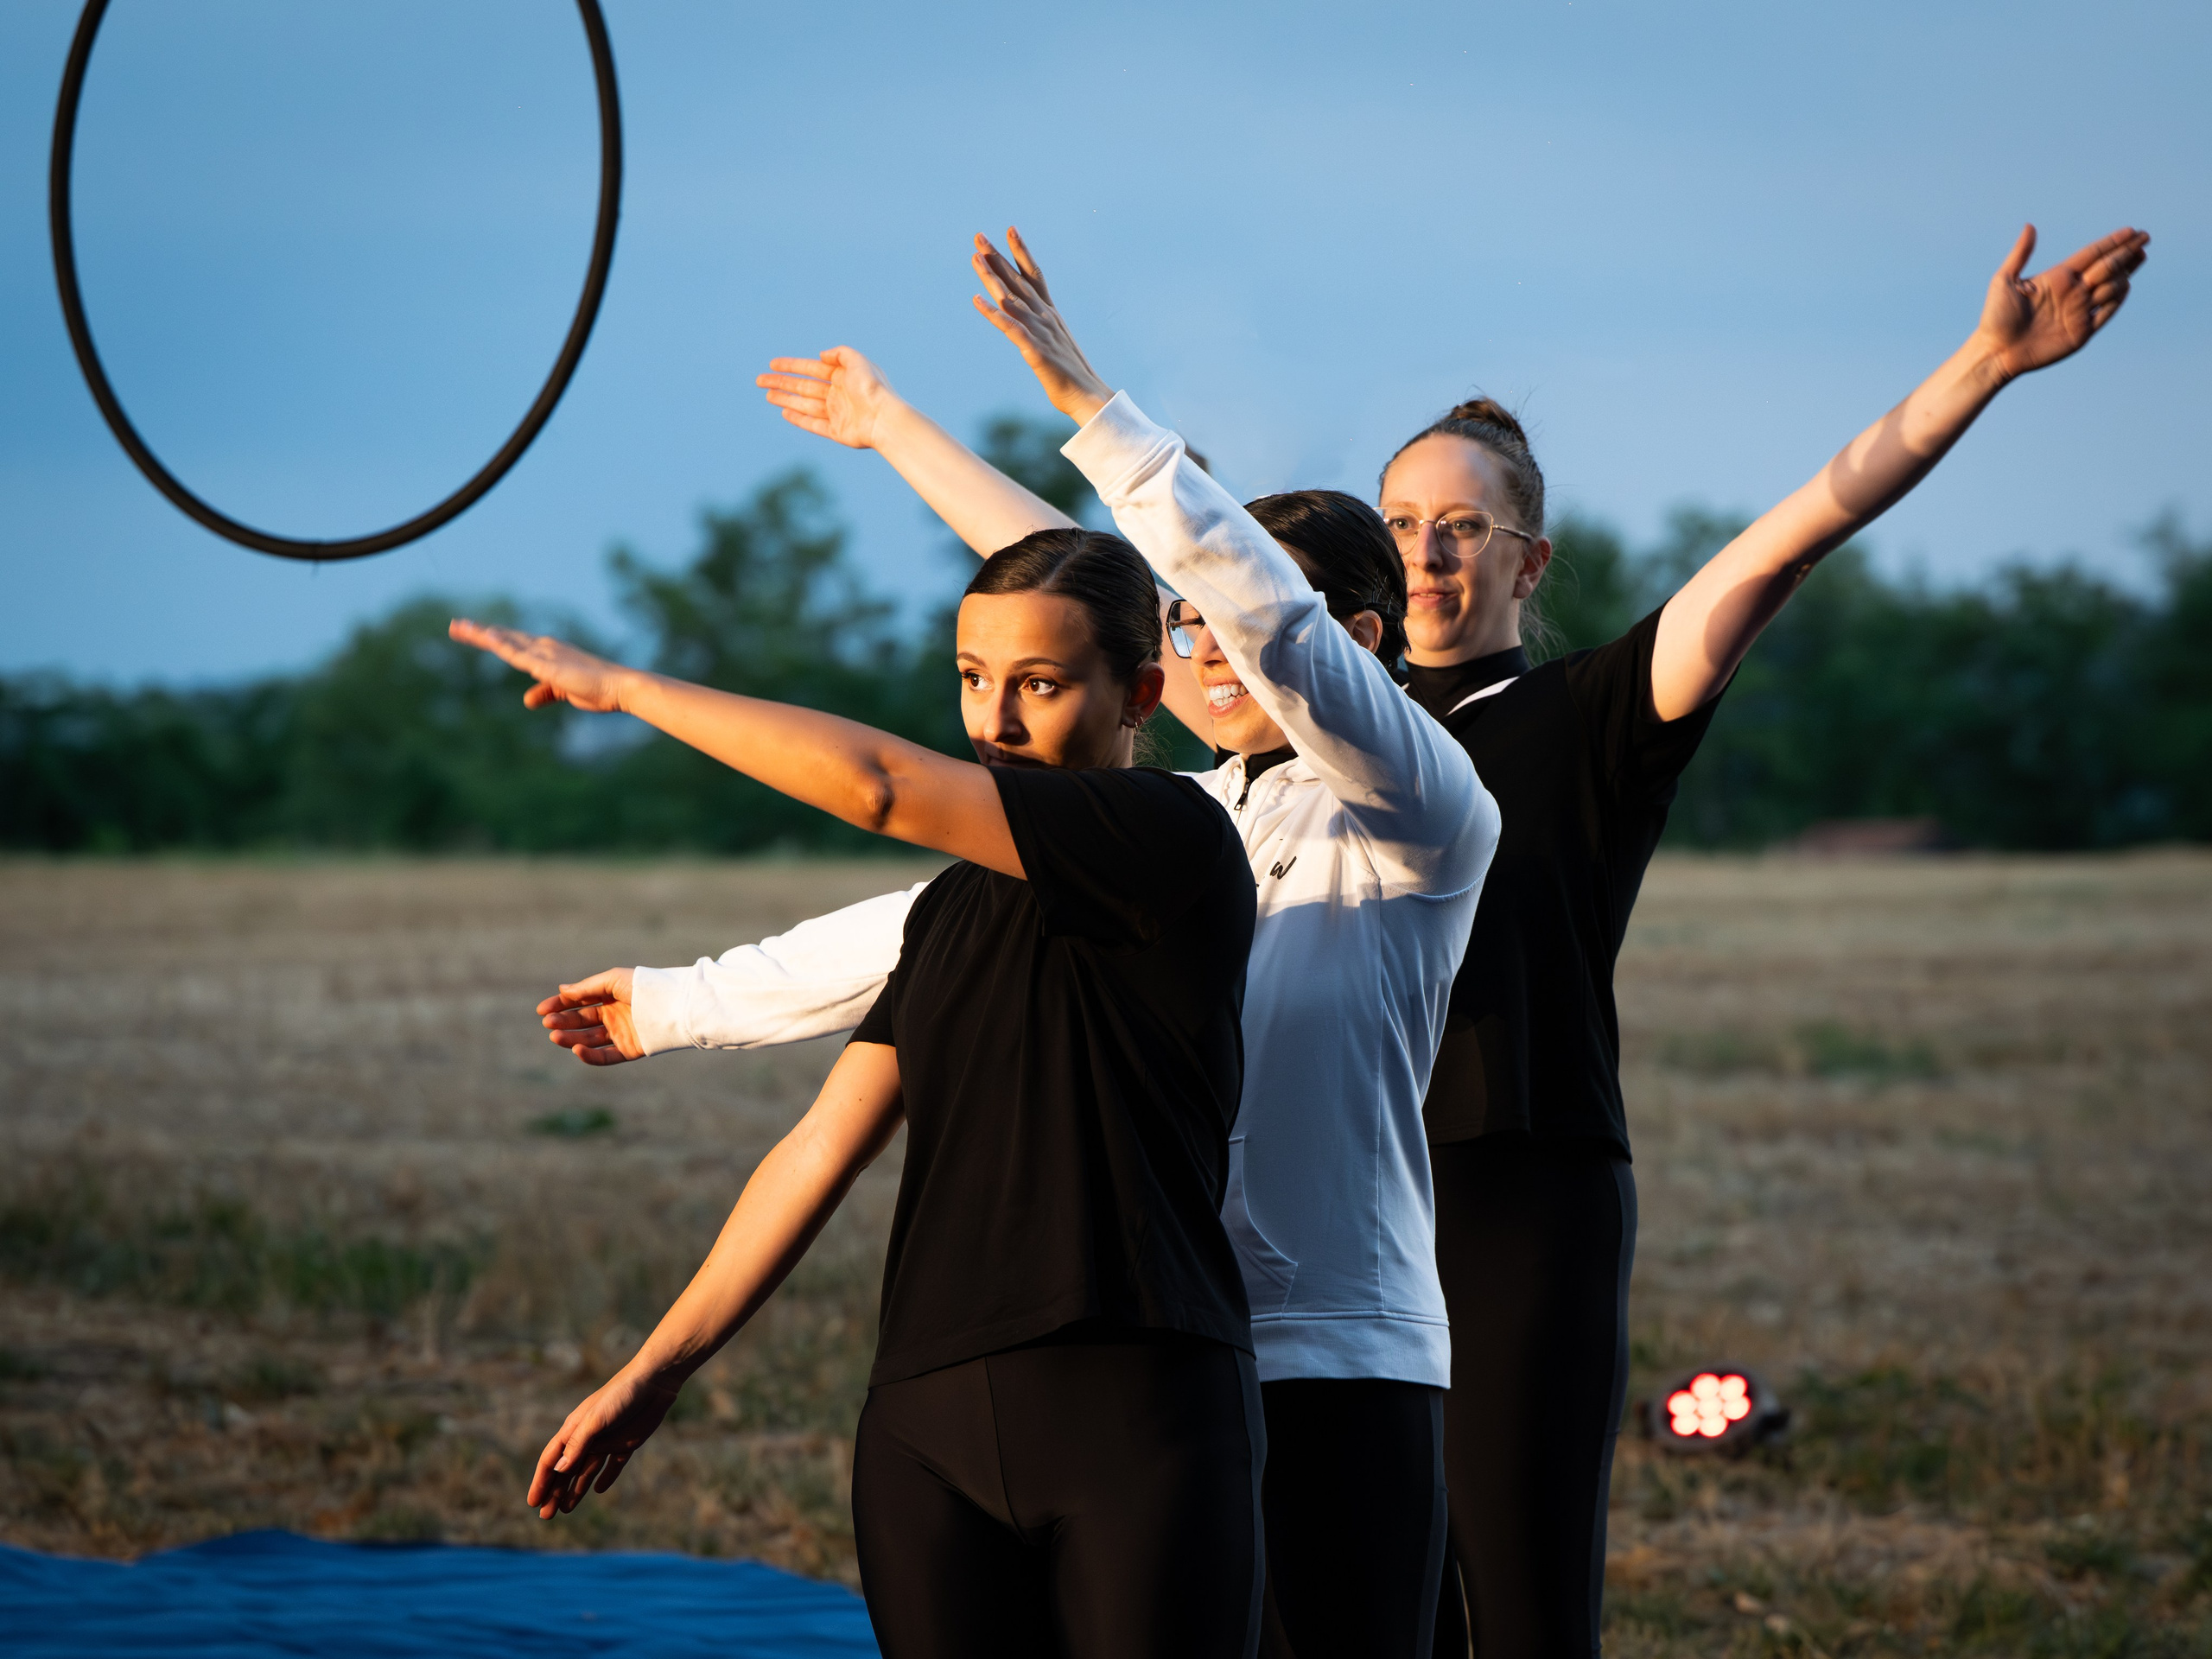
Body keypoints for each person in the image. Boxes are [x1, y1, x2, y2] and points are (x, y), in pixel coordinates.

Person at [543, 232, 1500, 1659]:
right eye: (1186, 629)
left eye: (1234, 622)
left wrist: (1094, 410)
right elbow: (935, 893)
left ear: (1352, 642)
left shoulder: (1420, 810)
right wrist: (683, 1003)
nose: (1209, 644)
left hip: (1337, 1354)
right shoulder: (1173, 817)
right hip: (1177, 1338)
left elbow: (1253, 615)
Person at [1382, 219, 2148, 1657]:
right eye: (1402, 523)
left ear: (1529, 561)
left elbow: (1801, 529)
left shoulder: (1595, 715)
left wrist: (1982, 367)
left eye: (1462, 527)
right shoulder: (1323, 729)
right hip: (1346, 1194)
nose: (1424, 554)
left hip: (1517, 1188)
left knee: (1519, 1596)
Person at [451, 526, 1268, 1659]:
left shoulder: (1177, 843)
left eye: (1039, 685)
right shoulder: (946, 914)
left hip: (1138, 1408)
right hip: (924, 1430)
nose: (994, 722)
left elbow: (879, 787)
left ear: (1139, 694)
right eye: (973, 679)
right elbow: (819, 1148)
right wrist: (656, 1371)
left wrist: (629, 690)